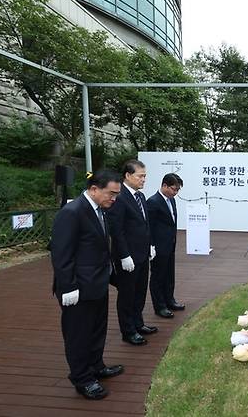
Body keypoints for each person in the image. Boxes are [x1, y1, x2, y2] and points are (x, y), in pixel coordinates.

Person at [50, 169, 123, 400]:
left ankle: (96, 366)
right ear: (94, 189)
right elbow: (61, 254)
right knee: (78, 335)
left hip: (97, 284)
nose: (114, 198)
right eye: (111, 193)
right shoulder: (72, 212)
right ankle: (82, 378)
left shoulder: (100, 210)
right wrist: (68, 287)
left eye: (117, 195)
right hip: (78, 289)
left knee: (97, 329)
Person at [108, 160, 157, 346]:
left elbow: (145, 225)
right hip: (128, 257)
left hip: (143, 254)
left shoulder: (141, 197)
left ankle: (138, 323)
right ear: (128, 176)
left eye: (144, 176)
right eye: (140, 176)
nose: (143, 179)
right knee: (127, 294)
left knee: (140, 292)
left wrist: (150, 245)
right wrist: (124, 255)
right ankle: (128, 331)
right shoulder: (119, 198)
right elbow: (117, 230)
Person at [147, 173, 186, 318]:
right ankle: (160, 306)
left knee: (169, 275)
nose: (175, 193)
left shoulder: (172, 201)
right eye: (173, 189)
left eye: (177, 190)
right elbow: (149, 227)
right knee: (158, 276)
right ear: (164, 185)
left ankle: (170, 300)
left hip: (170, 245)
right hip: (158, 247)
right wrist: (151, 245)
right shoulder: (153, 202)